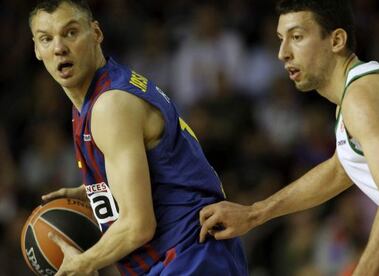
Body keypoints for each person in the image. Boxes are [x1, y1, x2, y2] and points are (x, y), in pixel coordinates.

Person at [28, 0, 248, 275]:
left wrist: (82, 264)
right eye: (46, 39)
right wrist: (100, 190)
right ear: (37, 50)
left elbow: (138, 226)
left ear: (96, 33)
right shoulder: (99, 94)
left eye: (71, 32)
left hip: (190, 256)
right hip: (189, 255)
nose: (59, 47)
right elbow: (163, 170)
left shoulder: (111, 105)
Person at [199, 0, 379, 275]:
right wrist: (255, 213)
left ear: (336, 40)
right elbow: (340, 169)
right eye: (280, 39)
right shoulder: (358, 94)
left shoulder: (362, 96)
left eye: (297, 37)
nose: (282, 53)